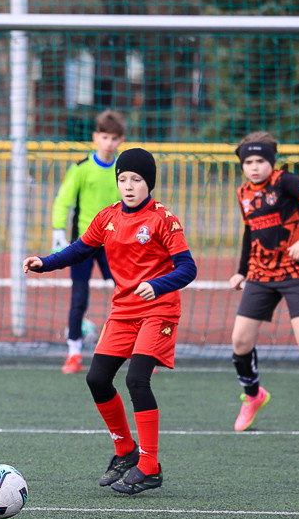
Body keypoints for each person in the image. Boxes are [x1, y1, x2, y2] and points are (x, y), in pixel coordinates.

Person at [24, 148, 196, 494]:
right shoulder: (107, 217)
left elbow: (187, 268)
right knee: (97, 379)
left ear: (149, 183)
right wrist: (45, 262)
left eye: (137, 180)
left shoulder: (164, 219)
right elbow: (79, 250)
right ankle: (125, 450)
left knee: (137, 379)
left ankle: (150, 466)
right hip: (123, 310)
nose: (128, 186)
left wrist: (157, 285)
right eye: (123, 179)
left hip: (159, 309)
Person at [228, 132, 299, 432]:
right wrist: (242, 270)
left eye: (260, 161)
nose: (254, 167)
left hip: (295, 272)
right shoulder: (243, 193)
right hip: (260, 274)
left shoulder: (285, 181)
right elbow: (249, 232)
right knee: (240, 341)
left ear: (271, 162)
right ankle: (253, 396)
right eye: (248, 162)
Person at [49, 110, 126, 374]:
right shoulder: (81, 168)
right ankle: (74, 353)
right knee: (79, 298)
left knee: (128, 294)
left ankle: (136, 351)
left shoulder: (123, 170)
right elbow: (63, 200)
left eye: (114, 138)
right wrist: (58, 230)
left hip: (114, 243)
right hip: (83, 243)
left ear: (121, 140)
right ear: (96, 137)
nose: (109, 143)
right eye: (105, 137)